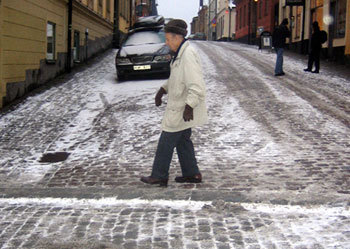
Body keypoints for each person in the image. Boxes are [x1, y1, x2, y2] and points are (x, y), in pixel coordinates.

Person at [140, 19, 208, 187]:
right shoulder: (180, 54)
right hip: (180, 105)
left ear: (177, 37)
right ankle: (192, 173)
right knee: (183, 140)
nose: (166, 42)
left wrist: (189, 106)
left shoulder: (188, 55)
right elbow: (177, 79)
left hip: (182, 107)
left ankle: (159, 175)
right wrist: (163, 90)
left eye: (168, 38)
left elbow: (196, 85)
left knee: (166, 140)